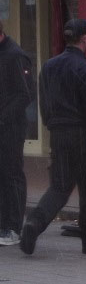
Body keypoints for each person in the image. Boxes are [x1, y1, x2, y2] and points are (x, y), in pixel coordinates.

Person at [20, 18, 86, 255]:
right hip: (81, 134)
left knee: (59, 187)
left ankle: (33, 224)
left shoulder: (49, 66)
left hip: (58, 133)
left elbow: (44, 103)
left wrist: (51, 124)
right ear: (84, 38)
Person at [0, 19, 32, 246]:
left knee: (11, 173)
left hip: (10, 128)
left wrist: (3, 118)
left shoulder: (14, 55)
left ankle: (13, 227)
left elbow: (23, 95)